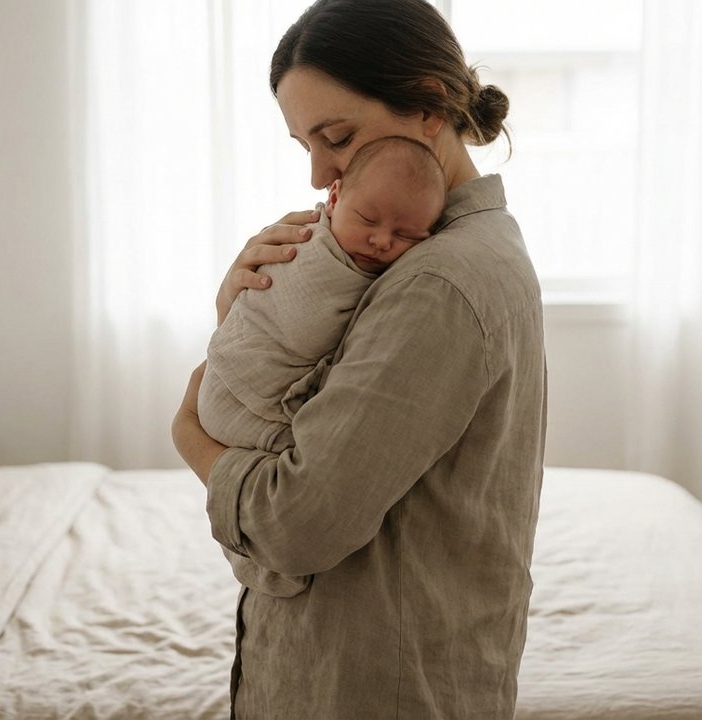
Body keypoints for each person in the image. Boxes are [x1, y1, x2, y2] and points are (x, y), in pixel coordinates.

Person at [170, 0, 547, 716]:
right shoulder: (432, 256)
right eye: (301, 145)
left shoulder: (437, 281)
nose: (318, 175)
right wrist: (240, 311)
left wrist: (189, 433)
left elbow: (297, 523)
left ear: (429, 104)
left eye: (335, 136)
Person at [200, 135, 447, 598]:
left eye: (408, 235)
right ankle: (266, 564)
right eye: (368, 219)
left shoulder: (430, 275)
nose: (381, 240)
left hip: (225, 392)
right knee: (286, 481)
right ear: (333, 198)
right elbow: (295, 320)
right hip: (239, 394)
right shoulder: (313, 251)